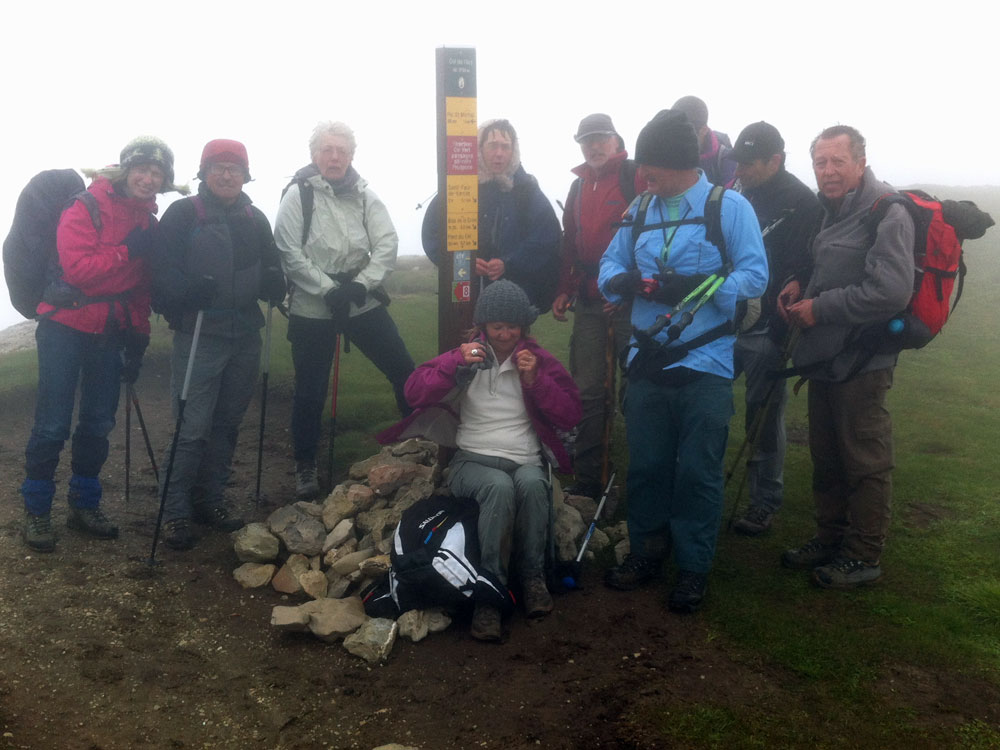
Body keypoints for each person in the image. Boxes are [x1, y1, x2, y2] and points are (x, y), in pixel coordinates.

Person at [598, 110, 768, 613]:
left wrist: (701, 287)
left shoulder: (729, 207)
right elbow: (610, 263)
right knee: (647, 466)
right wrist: (624, 281)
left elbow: (755, 275)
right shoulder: (640, 208)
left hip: (706, 362)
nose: (643, 175)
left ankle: (693, 568)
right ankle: (646, 553)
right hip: (647, 360)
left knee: (698, 471)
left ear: (679, 163)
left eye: (650, 167)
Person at [380, 280, 582, 641]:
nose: (505, 334)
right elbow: (414, 391)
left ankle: (533, 577)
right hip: (471, 461)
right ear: (484, 325)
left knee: (534, 484)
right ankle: (490, 590)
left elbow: (570, 413)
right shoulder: (465, 356)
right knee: (498, 487)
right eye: (497, 326)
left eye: (513, 326)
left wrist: (535, 380)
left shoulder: (537, 360)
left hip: (525, 459)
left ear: (524, 326)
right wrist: (454, 362)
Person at [19, 136, 184, 552]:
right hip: (64, 325)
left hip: (111, 331)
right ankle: (37, 510)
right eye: (142, 169)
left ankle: (84, 504)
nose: (149, 179)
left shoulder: (149, 224)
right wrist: (126, 250)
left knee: (97, 422)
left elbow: (140, 289)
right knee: (53, 424)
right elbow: (78, 270)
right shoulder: (85, 206)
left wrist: (139, 339)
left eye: (157, 173)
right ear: (126, 170)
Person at [778, 125, 913, 589]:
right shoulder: (831, 210)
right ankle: (829, 538)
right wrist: (800, 284)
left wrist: (820, 308)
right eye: (821, 162)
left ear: (860, 162)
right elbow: (829, 264)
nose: (828, 171)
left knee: (864, 458)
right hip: (825, 356)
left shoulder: (888, 211)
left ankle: (862, 555)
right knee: (827, 454)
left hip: (863, 360)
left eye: (838, 161)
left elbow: (891, 291)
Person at [150, 139, 286, 550]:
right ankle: (175, 511)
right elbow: (160, 271)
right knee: (192, 427)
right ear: (204, 173)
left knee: (227, 423)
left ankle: (210, 500)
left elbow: (272, 264)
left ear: (245, 175)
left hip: (245, 332)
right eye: (218, 167)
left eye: (234, 168)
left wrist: (275, 282)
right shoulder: (183, 213)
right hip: (199, 333)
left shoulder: (254, 218)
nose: (227, 175)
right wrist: (186, 292)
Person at [275, 121, 415, 500]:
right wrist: (328, 289)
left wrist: (359, 285)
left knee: (403, 369)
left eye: (341, 151)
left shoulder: (365, 195)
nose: (334, 157)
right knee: (310, 390)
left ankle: (416, 443)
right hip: (312, 304)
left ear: (351, 156)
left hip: (359, 298)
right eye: (327, 150)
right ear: (314, 155)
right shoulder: (297, 195)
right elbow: (288, 251)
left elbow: (386, 242)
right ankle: (305, 464)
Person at [728, 122, 822, 536]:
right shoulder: (737, 191)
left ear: (776, 160)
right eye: (738, 162)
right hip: (725, 324)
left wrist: (798, 281)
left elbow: (809, 262)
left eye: (749, 163)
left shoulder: (802, 203)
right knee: (707, 403)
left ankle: (764, 501)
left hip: (768, 330)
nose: (740, 170)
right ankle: (701, 484)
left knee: (763, 417)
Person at [552, 113, 638, 499]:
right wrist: (564, 289)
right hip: (588, 301)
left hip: (632, 303)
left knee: (636, 390)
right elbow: (570, 242)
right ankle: (589, 479)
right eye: (587, 140)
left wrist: (628, 288)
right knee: (588, 390)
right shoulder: (578, 186)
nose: (594, 146)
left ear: (616, 140)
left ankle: (641, 477)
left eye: (601, 138)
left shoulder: (634, 177)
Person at [421, 119, 561, 311]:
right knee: (463, 331)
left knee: (508, 331)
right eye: (493, 146)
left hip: (514, 298)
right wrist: (463, 262)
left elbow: (547, 238)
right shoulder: (460, 187)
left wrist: (508, 263)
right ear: (479, 148)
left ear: (514, 151)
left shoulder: (527, 190)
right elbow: (432, 235)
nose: (499, 153)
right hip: (464, 296)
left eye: (505, 147)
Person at [672, 96, 737, 187]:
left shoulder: (727, 161)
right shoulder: (666, 154)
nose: (679, 143)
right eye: (674, 135)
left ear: (704, 130)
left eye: (686, 136)